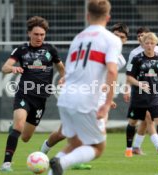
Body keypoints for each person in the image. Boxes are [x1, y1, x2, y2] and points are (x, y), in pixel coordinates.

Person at [40, 23, 129, 170]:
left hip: (98, 98)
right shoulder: (98, 48)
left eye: (122, 37)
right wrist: (67, 78)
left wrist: (108, 99)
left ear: (126, 40)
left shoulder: (121, 60)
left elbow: (107, 77)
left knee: (98, 131)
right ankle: (43, 151)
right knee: (62, 133)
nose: (118, 39)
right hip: (83, 95)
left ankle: (73, 159)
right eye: (116, 35)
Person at [0, 16, 65, 172]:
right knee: (18, 126)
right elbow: (5, 67)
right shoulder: (21, 49)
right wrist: (13, 68)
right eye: (36, 34)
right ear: (29, 33)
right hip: (24, 94)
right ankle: (6, 164)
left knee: (25, 137)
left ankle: (15, 127)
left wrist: (64, 78)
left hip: (41, 99)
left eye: (42, 35)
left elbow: (62, 69)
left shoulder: (51, 50)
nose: (39, 37)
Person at [124, 27, 158, 157]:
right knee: (136, 122)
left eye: (151, 42)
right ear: (141, 41)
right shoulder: (135, 56)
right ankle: (131, 147)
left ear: (155, 43)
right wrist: (129, 88)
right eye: (146, 41)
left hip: (155, 95)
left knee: (157, 120)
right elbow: (129, 75)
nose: (149, 44)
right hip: (139, 95)